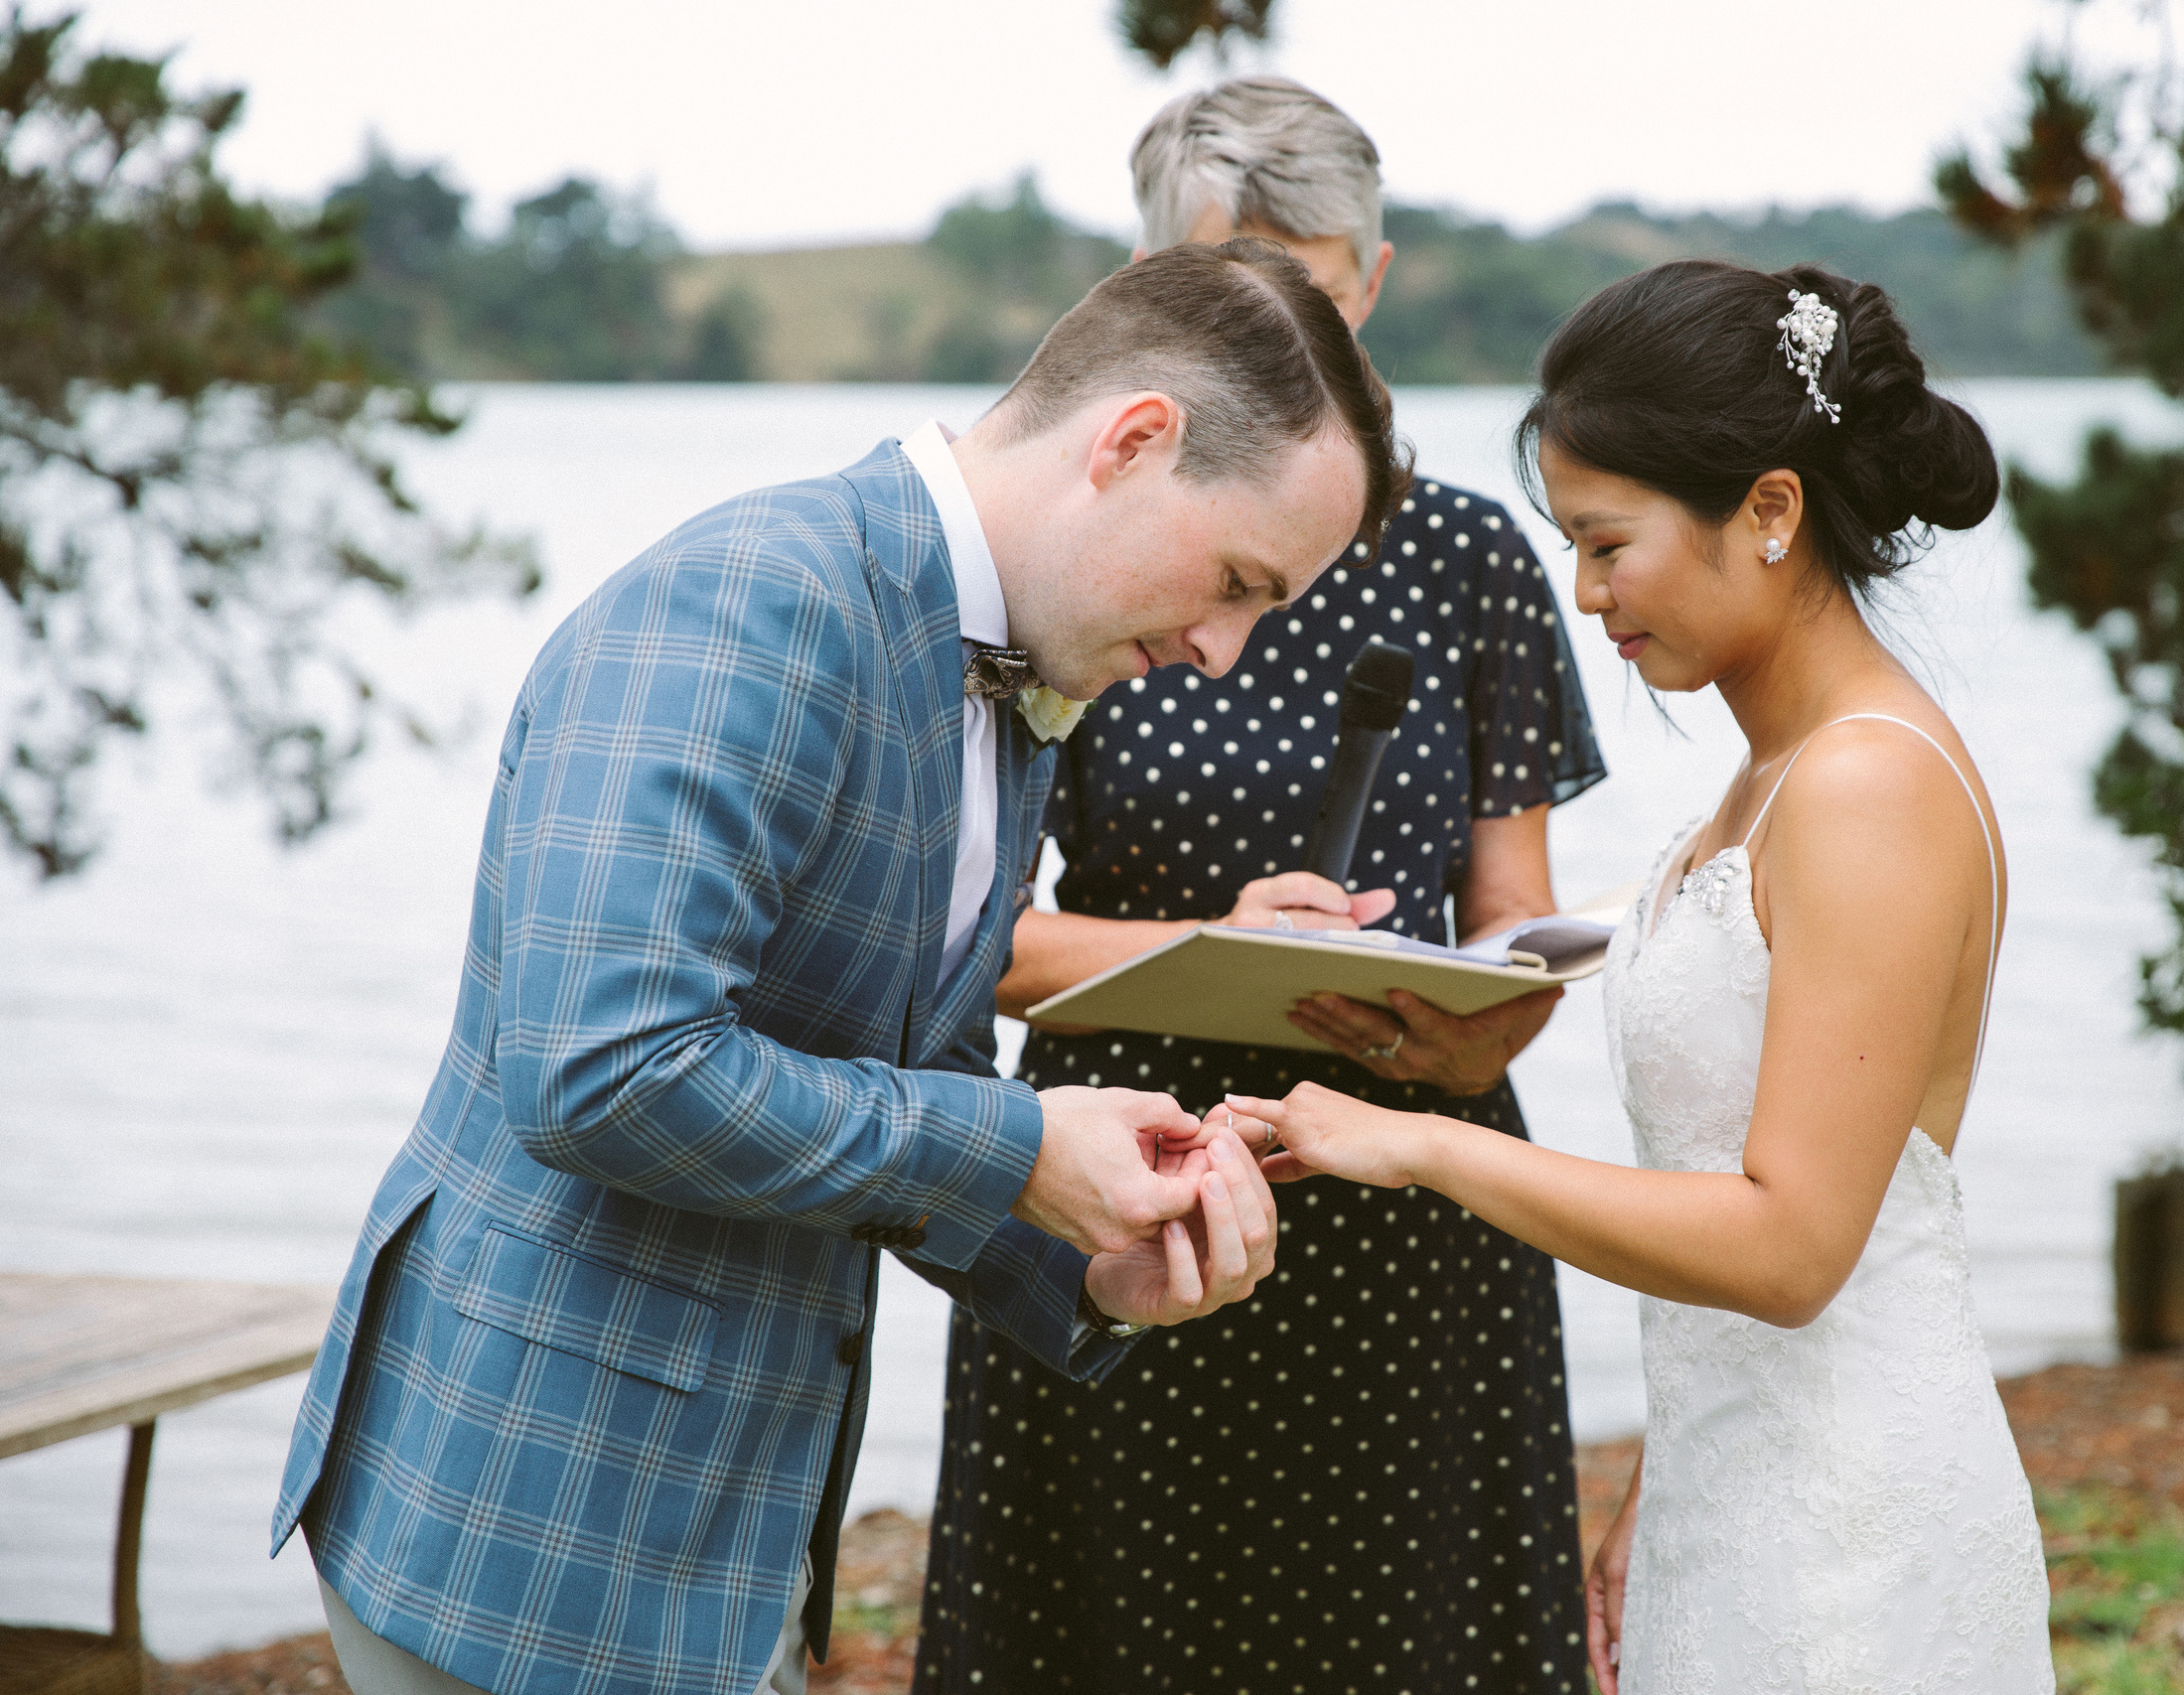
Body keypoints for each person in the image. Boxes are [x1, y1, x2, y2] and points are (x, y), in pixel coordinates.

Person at [270, 237, 1407, 1695]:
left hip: (729, 1539)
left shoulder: (1012, 670)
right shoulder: (751, 600)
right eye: (1238, 580)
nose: (1224, 652)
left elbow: (899, 1079)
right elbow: (602, 1070)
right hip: (525, 1527)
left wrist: (1090, 1262)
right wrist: (1016, 1144)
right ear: (1132, 441)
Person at [1235, 260, 2057, 1694]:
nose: (1585, 593)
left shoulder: (1865, 786)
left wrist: (1423, 1147)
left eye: (1609, 543)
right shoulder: (1771, 778)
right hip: (1739, 1491)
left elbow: (1792, 1247)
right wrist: (1663, 1480)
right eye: (1571, 544)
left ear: (1771, 511)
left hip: (1852, 1546)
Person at [915, 76, 1609, 1695]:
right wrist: (1204, 942)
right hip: (1119, 1185)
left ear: (1377, 276)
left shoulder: (1470, 560)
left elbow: (1514, 903)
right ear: (1152, 293)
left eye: (1318, 284)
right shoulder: (1071, 565)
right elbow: (965, 944)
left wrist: (1490, 1019)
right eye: (1242, 286)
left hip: (1403, 1193)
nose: (1291, 326)